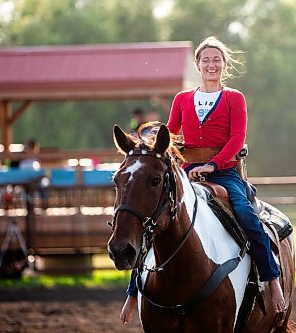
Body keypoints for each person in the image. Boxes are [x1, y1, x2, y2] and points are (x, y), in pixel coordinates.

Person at [119, 36, 285, 325]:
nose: (211, 64)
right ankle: (134, 292)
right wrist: (146, 147)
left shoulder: (235, 98)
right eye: (205, 59)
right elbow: (168, 134)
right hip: (186, 170)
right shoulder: (183, 99)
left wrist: (212, 165)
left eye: (216, 59)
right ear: (197, 64)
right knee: (154, 220)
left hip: (224, 171)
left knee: (247, 215)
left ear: (225, 64)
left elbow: (237, 139)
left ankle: (271, 281)